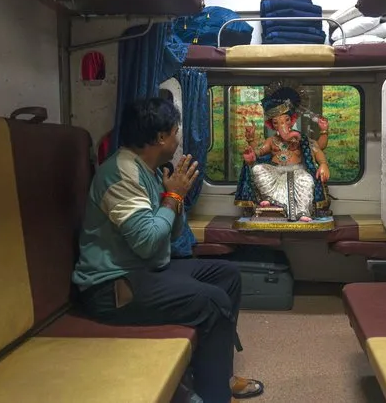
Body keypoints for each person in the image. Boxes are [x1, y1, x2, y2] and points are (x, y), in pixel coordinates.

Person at [72, 97, 264, 403]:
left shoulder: (148, 169)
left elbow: (171, 236)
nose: (177, 139)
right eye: (175, 131)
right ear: (161, 137)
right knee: (212, 300)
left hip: (144, 268)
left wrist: (175, 197)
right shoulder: (122, 174)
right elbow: (149, 243)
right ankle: (214, 395)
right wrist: (172, 195)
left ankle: (217, 376)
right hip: (112, 287)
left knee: (227, 275)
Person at [234, 85, 331, 221]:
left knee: (306, 181)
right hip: (275, 171)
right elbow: (258, 151)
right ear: (272, 125)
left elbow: (318, 147)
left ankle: (302, 212)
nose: (282, 125)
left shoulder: (301, 139)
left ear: (291, 121)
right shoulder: (271, 141)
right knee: (257, 169)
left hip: (297, 172)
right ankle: (271, 200)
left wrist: (323, 163)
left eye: (285, 120)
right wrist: (251, 146)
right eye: (276, 122)